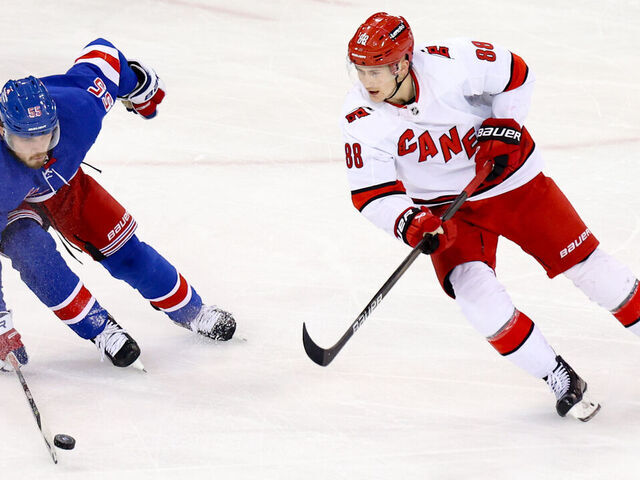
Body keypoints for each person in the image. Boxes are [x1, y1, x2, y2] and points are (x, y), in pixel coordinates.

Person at [342, 12, 640, 421]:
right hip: (445, 209)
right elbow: (371, 193)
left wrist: (505, 124)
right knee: (476, 299)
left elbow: (516, 73)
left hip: (510, 182)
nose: (366, 81)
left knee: (593, 271)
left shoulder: (452, 63)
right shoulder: (359, 118)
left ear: (402, 63)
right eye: (359, 69)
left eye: (374, 69)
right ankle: (557, 375)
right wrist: (411, 223)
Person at [0, 39, 236, 371]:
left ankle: (192, 311)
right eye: (27, 140)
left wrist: (139, 84)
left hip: (62, 185)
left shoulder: (77, 110)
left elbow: (103, 56)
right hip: (8, 206)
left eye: (47, 137)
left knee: (124, 249)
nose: (40, 150)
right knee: (33, 253)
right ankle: (101, 329)